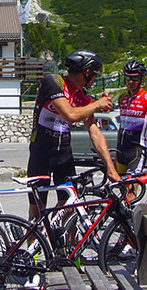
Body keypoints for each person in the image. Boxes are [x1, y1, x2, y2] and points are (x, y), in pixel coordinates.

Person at [26, 49, 119, 221]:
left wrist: (110, 168)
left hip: (64, 153)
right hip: (42, 150)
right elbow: (70, 114)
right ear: (87, 71)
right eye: (95, 75)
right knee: (37, 208)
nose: (95, 79)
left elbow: (95, 132)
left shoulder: (83, 97)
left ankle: (65, 245)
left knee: (70, 204)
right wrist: (97, 104)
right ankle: (34, 246)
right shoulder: (54, 81)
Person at [115, 60, 147, 178]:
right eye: (128, 78)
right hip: (121, 149)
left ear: (142, 78)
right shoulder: (123, 99)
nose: (131, 82)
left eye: (135, 78)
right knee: (119, 187)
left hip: (137, 150)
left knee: (131, 188)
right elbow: (122, 127)